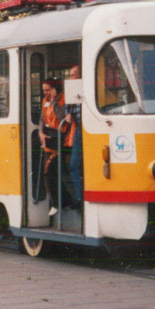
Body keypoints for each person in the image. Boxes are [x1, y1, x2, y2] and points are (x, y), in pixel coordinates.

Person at [37, 80, 64, 217]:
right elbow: (42, 119)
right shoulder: (44, 101)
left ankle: (57, 203)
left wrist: (54, 101)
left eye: (47, 90)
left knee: (49, 172)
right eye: (44, 90)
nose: (45, 93)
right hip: (48, 137)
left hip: (60, 137)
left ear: (54, 89)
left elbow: (61, 117)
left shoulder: (62, 99)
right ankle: (62, 201)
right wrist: (40, 132)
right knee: (47, 172)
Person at [62, 64, 83, 206]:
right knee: (74, 165)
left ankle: (81, 197)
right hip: (78, 131)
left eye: (73, 75)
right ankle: (79, 198)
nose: (71, 78)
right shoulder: (70, 92)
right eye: (69, 75)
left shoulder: (85, 89)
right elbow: (67, 110)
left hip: (85, 129)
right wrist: (67, 114)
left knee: (76, 165)